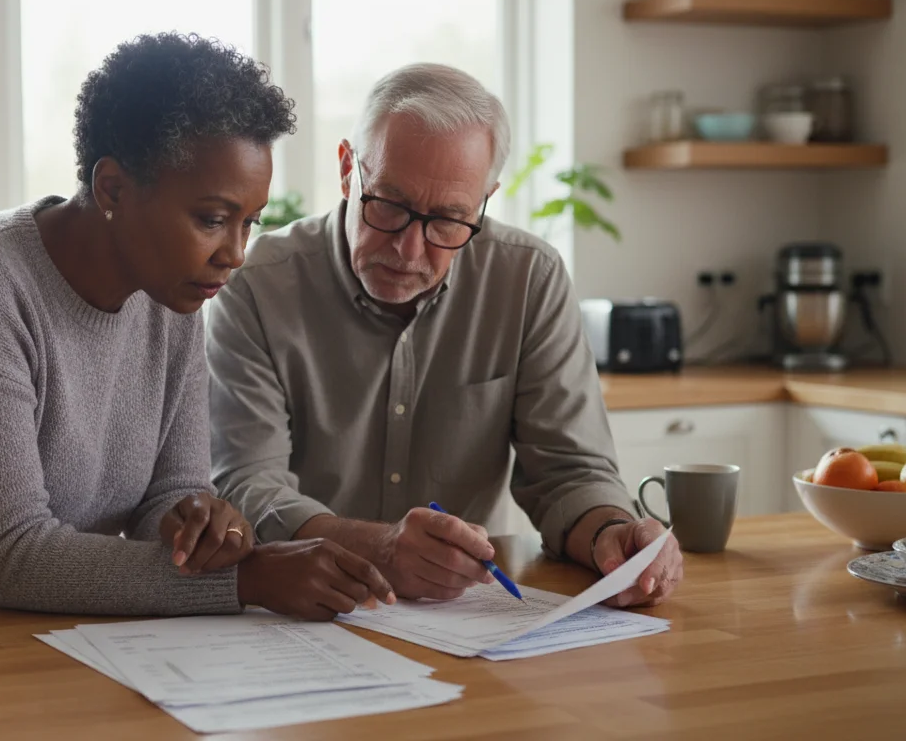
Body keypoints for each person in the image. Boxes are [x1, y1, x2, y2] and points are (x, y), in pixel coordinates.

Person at [0, 33, 395, 620]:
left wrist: (199, 530)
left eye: (249, 221)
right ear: (111, 188)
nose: (235, 252)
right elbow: (14, 554)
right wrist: (244, 580)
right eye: (211, 218)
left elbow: (165, 498)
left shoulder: (173, 294)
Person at [206, 63, 683, 608]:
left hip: (469, 617)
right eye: (388, 204)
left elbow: (571, 473)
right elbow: (247, 486)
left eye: (448, 221)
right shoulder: (256, 286)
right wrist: (379, 548)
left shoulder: (528, 278)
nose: (408, 250)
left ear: (484, 199)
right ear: (347, 171)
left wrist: (611, 536)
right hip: (302, 615)